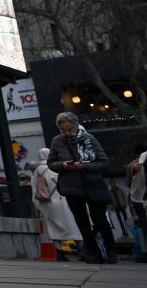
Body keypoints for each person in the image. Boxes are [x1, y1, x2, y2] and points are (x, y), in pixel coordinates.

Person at [49, 111, 118, 263]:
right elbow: (51, 163)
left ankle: (111, 251)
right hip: (71, 187)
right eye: (63, 130)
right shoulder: (57, 141)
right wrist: (62, 165)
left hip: (93, 185)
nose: (66, 133)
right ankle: (94, 254)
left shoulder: (89, 139)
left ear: (76, 126)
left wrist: (84, 166)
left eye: (69, 130)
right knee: (82, 222)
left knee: (100, 220)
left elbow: (104, 162)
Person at [31, 148, 81, 254]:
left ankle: (59, 251)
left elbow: (34, 189)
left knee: (52, 228)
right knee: (71, 225)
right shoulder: (56, 167)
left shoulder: (37, 171)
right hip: (61, 200)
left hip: (46, 203)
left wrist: (37, 205)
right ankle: (80, 247)